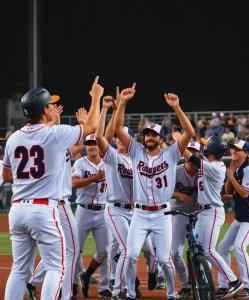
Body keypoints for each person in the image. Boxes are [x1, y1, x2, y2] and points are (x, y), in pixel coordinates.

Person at [2, 76, 103, 300]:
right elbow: (92, 127)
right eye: (49, 104)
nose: (52, 107)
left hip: (17, 209)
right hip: (43, 209)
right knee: (57, 267)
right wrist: (95, 97)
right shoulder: (54, 134)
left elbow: (7, 175)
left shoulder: (13, 138)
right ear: (44, 110)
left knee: (19, 269)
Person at [114, 85, 195, 300]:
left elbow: (189, 133)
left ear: (161, 139)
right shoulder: (136, 151)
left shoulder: (171, 154)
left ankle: (171, 294)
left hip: (162, 214)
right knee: (130, 256)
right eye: (146, 133)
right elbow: (118, 128)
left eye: (153, 134)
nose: (149, 136)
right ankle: (130, 294)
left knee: (164, 260)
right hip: (139, 214)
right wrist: (122, 102)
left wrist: (177, 108)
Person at [95, 90, 157, 300]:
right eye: (119, 137)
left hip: (137, 211)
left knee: (149, 250)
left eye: (126, 137)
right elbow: (99, 137)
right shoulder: (111, 157)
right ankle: (118, 290)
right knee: (126, 248)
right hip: (116, 210)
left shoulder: (139, 159)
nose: (121, 140)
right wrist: (110, 108)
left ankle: (152, 270)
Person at [25, 107, 87, 300]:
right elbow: (52, 136)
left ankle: (33, 282)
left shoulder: (57, 146)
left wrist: (62, 123)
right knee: (72, 250)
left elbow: (76, 147)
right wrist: (82, 125)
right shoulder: (48, 143)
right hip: (57, 203)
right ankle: (66, 294)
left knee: (59, 249)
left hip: (48, 203)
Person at [178, 135, 244, 299]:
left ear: (211, 150)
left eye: (207, 146)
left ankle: (234, 281)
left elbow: (192, 159)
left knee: (208, 250)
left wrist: (181, 142)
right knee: (198, 250)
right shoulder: (211, 164)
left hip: (213, 212)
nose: (204, 147)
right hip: (204, 212)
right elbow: (197, 159)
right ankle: (204, 285)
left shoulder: (216, 167)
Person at [217, 140, 249, 298]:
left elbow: (244, 194)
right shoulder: (237, 169)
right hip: (241, 217)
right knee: (222, 248)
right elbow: (229, 190)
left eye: (237, 149)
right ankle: (224, 286)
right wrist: (231, 175)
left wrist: (230, 175)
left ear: (246, 153)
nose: (233, 151)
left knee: (240, 246)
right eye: (233, 149)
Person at [72, 133, 112, 298]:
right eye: (89, 143)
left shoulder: (109, 162)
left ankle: (101, 284)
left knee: (105, 251)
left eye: (95, 143)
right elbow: (73, 183)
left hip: (103, 211)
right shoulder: (80, 163)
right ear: (85, 147)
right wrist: (94, 178)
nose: (92, 146)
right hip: (83, 211)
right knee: (74, 251)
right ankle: (73, 285)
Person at [169, 138, 206, 299]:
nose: (191, 155)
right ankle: (186, 285)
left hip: (200, 214)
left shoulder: (204, 171)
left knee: (204, 249)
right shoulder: (175, 170)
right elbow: (162, 190)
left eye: (195, 153)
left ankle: (205, 281)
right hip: (179, 213)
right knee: (175, 252)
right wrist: (177, 194)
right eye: (189, 152)